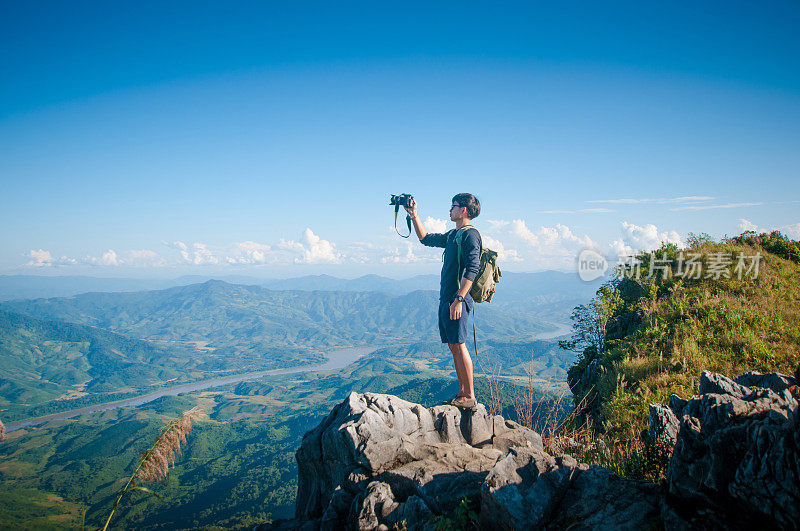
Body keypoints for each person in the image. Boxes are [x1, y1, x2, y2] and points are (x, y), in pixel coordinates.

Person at [404, 193, 482, 409]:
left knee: (459, 344)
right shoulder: (452, 235)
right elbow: (425, 239)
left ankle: (469, 395)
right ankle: (462, 393)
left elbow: (472, 268)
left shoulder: (470, 235)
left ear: (464, 210)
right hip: (447, 299)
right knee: (453, 345)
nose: (450, 210)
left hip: (457, 299)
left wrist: (459, 298)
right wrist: (414, 215)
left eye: (454, 206)